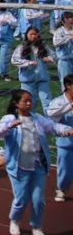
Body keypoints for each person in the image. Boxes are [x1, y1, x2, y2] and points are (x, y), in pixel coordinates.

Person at [0, 88, 73, 235]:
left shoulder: (37, 118)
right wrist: (9, 126)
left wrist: (68, 130)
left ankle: (37, 226)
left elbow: (53, 127)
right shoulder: (9, 118)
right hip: (19, 166)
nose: (29, 103)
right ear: (16, 103)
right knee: (21, 199)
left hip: (38, 166)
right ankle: (14, 220)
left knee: (38, 200)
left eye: (30, 100)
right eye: (25, 101)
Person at [12, 27, 55, 113]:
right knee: (30, 103)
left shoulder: (43, 46)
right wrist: (28, 63)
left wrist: (49, 58)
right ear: (27, 35)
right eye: (31, 34)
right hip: (28, 80)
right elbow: (14, 60)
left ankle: (50, 122)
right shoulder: (21, 47)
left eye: (35, 34)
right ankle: (31, 122)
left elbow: (54, 56)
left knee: (47, 101)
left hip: (42, 79)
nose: (33, 36)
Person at [47, 74, 73, 202]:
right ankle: (61, 189)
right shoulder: (58, 102)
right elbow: (51, 114)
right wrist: (69, 106)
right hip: (66, 142)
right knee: (66, 170)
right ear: (68, 86)